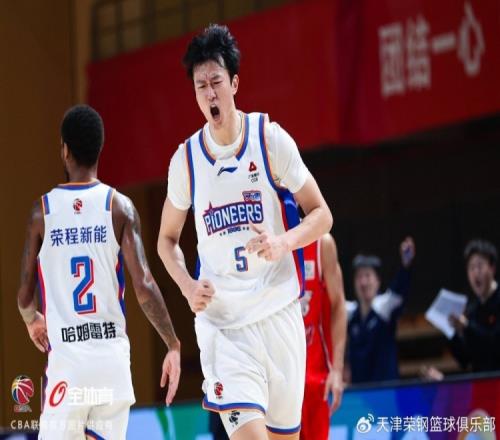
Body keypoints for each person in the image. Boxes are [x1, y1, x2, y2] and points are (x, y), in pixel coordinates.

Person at [157, 24, 332, 440]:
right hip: (224, 327)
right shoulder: (186, 161)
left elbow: (321, 214)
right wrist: (186, 285)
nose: (209, 94)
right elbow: (166, 240)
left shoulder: (269, 140)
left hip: (279, 314)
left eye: (216, 82)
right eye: (200, 86)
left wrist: (283, 242)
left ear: (234, 83)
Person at [17, 105, 181, 440]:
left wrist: (31, 319)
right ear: (99, 150)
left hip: (68, 369)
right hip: (110, 366)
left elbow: (24, 295)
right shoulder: (119, 207)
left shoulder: (42, 213)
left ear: (65, 150)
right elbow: (144, 285)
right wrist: (173, 343)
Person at [346, 237, 415, 383]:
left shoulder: (385, 307)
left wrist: (406, 264)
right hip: (359, 392)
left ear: (378, 281)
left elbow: (400, 290)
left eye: (367, 275)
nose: (363, 282)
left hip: (386, 390)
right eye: (359, 277)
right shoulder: (350, 313)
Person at [299, 234, 346, 440]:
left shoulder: (321, 244)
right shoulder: (265, 241)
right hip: (276, 380)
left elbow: (338, 305)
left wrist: (337, 370)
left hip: (315, 378)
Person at [449, 239, 500, 372]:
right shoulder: (471, 311)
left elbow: (494, 344)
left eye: (480, 266)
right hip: (480, 382)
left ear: (492, 268)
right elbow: (465, 360)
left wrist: (467, 327)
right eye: (471, 268)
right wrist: (454, 332)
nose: (476, 272)